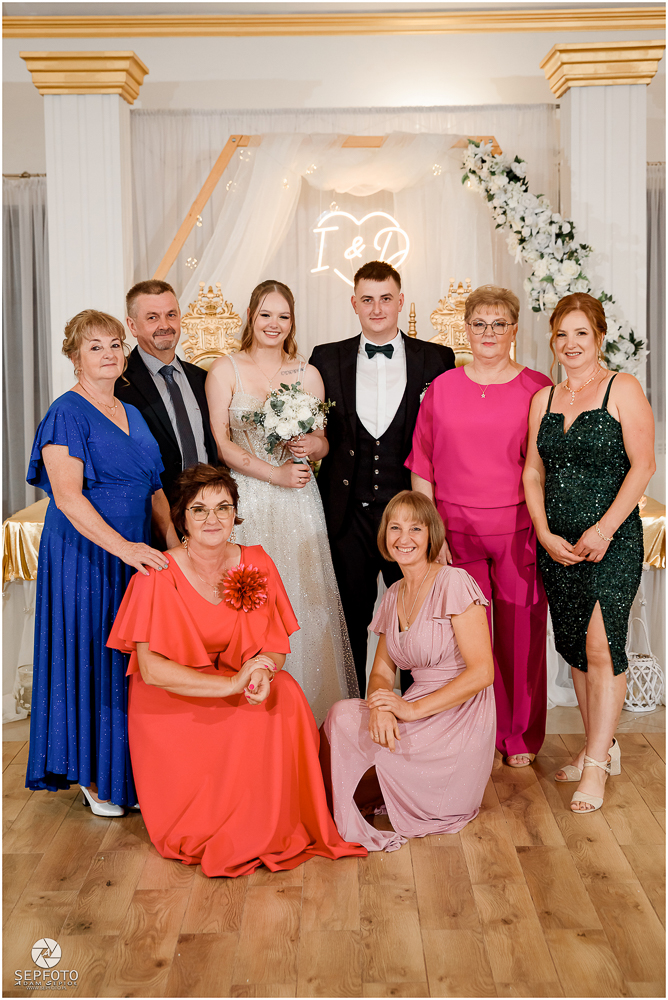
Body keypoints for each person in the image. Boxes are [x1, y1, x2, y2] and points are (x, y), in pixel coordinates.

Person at [107, 464, 367, 876]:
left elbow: (275, 645)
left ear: (235, 513)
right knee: (243, 714)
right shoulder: (157, 575)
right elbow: (153, 672)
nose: (212, 519)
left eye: (223, 507)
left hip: (238, 679)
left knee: (285, 693)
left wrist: (263, 670)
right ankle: (221, 825)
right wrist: (231, 684)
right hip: (174, 697)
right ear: (182, 518)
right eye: (199, 509)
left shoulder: (256, 561)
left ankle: (274, 823)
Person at [26, 309, 174, 816]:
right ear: (75, 358)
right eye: (95, 347)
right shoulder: (65, 412)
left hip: (134, 551)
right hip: (86, 555)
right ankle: (93, 774)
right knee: (92, 652)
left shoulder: (131, 412)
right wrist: (125, 549)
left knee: (132, 659)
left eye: (114, 345)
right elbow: (68, 498)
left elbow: (154, 489)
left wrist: (174, 548)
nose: (109, 354)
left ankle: (127, 770)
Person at [407, 284, 552, 767]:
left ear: (514, 330)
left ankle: (516, 737)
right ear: (466, 329)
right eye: (479, 324)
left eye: (499, 324)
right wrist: (431, 534)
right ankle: (468, 733)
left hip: (518, 529)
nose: (489, 332)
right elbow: (422, 466)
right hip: (454, 532)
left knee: (519, 634)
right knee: (463, 640)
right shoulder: (442, 387)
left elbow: (548, 466)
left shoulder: (538, 387)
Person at [524, 293, 655, 812]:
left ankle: (597, 765)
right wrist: (542, 532)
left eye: (581, 333)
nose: (570, 343)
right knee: (577, 650)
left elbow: (643, 466)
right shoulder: (544, 398)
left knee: (602, 646)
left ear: (599, 337)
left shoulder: (622, 388)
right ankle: (598, 746)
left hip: (612, 541)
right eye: (562, 334)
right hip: (559, 546)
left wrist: (603, 530)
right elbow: (532, 471)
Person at [205, 279, 357, 725]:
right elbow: (222, 446)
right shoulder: (225, 370)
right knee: (250, 601)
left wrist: (312, 446)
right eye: (266, 314)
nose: (274, 324)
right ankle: (252, 714)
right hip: (248, 500)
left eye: (283, 316)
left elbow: (324, 441)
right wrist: (275, 474)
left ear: (292, 321)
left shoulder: (306, 373)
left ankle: (309, 715)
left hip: (298, 501)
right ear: (251, 316)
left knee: (305, 597)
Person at [310, 260, 455, 696]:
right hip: (346, 514)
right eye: (367, 300)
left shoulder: (436, 358)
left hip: (410, 514)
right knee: (349, 617)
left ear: (401, 301)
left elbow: (445, 438)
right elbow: (316, 431)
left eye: (386, 299)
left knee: (416, 617)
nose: (377, 308)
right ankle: (353, 710)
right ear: (353, 303)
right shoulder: (325, 358)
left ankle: (417, 710)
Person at [321, 491, 495, 852]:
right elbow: (381, 673)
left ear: (431, 534)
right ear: (384, 535)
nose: (404, 538)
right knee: (340, 715)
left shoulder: (454, 581)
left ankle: (369, 791)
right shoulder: (394, 593)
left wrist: (410, 710)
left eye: (415, 528)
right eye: (395, 528)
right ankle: (341, 797)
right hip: (412, 707)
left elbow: (482, 673)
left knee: (351, 769)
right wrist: (382, 708)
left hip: (458, 713)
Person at [115, 279, 218, 503]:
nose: (165, 325)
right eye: (152, 317)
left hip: (209, 506)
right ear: (132, 326)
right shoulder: (118, 385)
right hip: (152, 511)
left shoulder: (203, 379)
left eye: (171, 315)